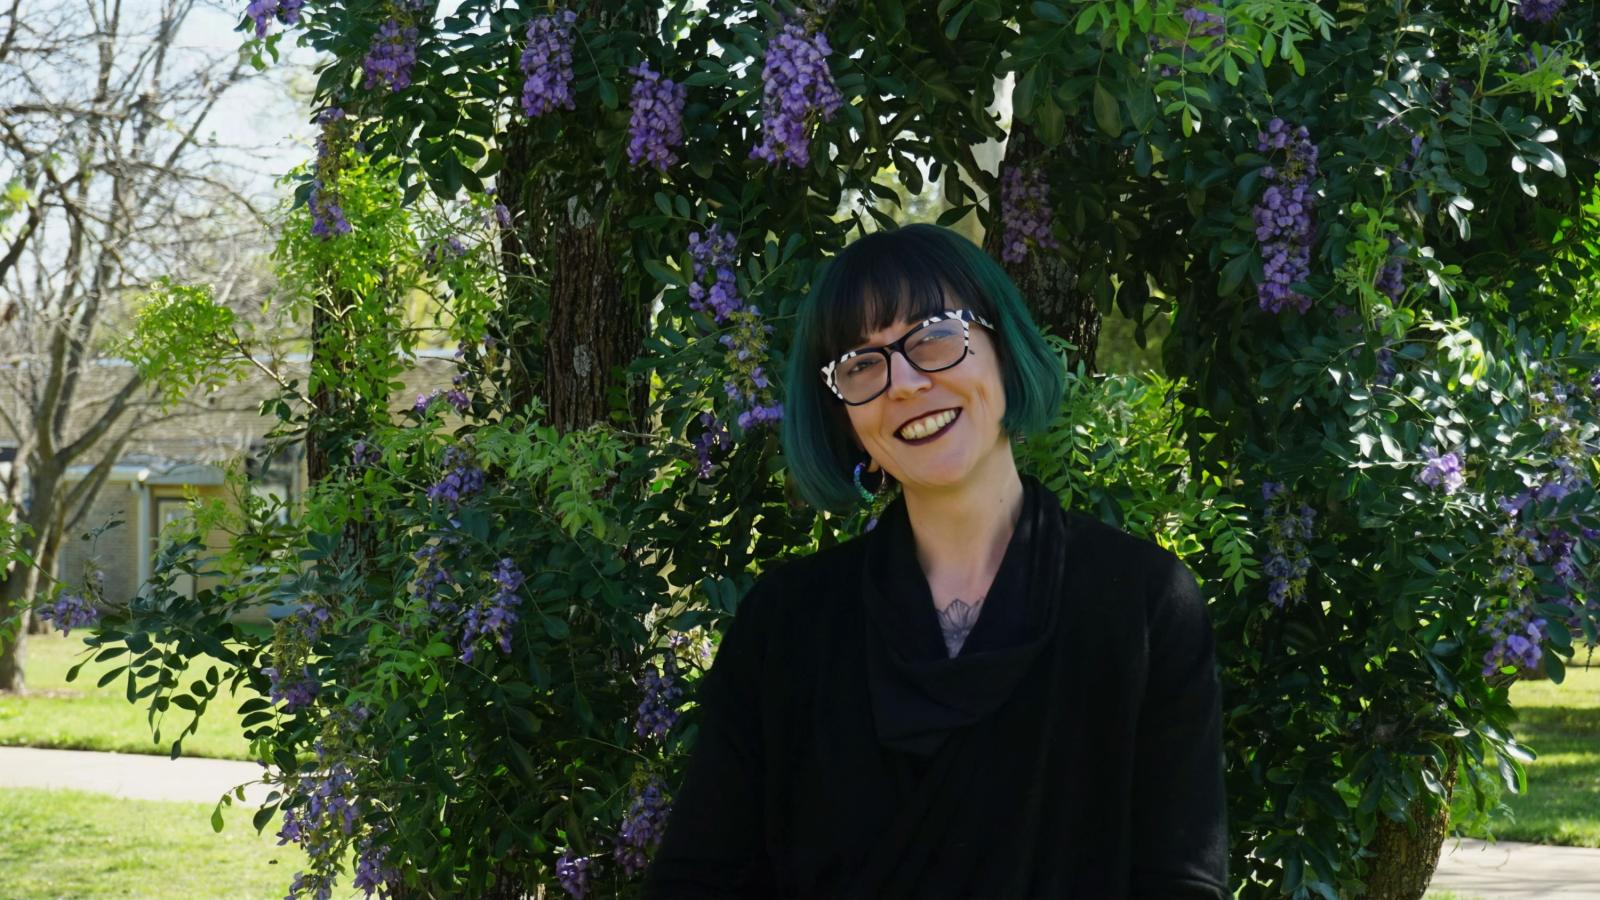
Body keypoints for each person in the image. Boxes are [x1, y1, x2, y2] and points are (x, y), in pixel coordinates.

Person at [643, 223, 1228, 899]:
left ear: (1003, 350)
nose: (906, 383)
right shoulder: (786, 623)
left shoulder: (1144, 604)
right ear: (845, 420)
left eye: (935, 336)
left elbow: (1180, 884)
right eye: (862, 365)